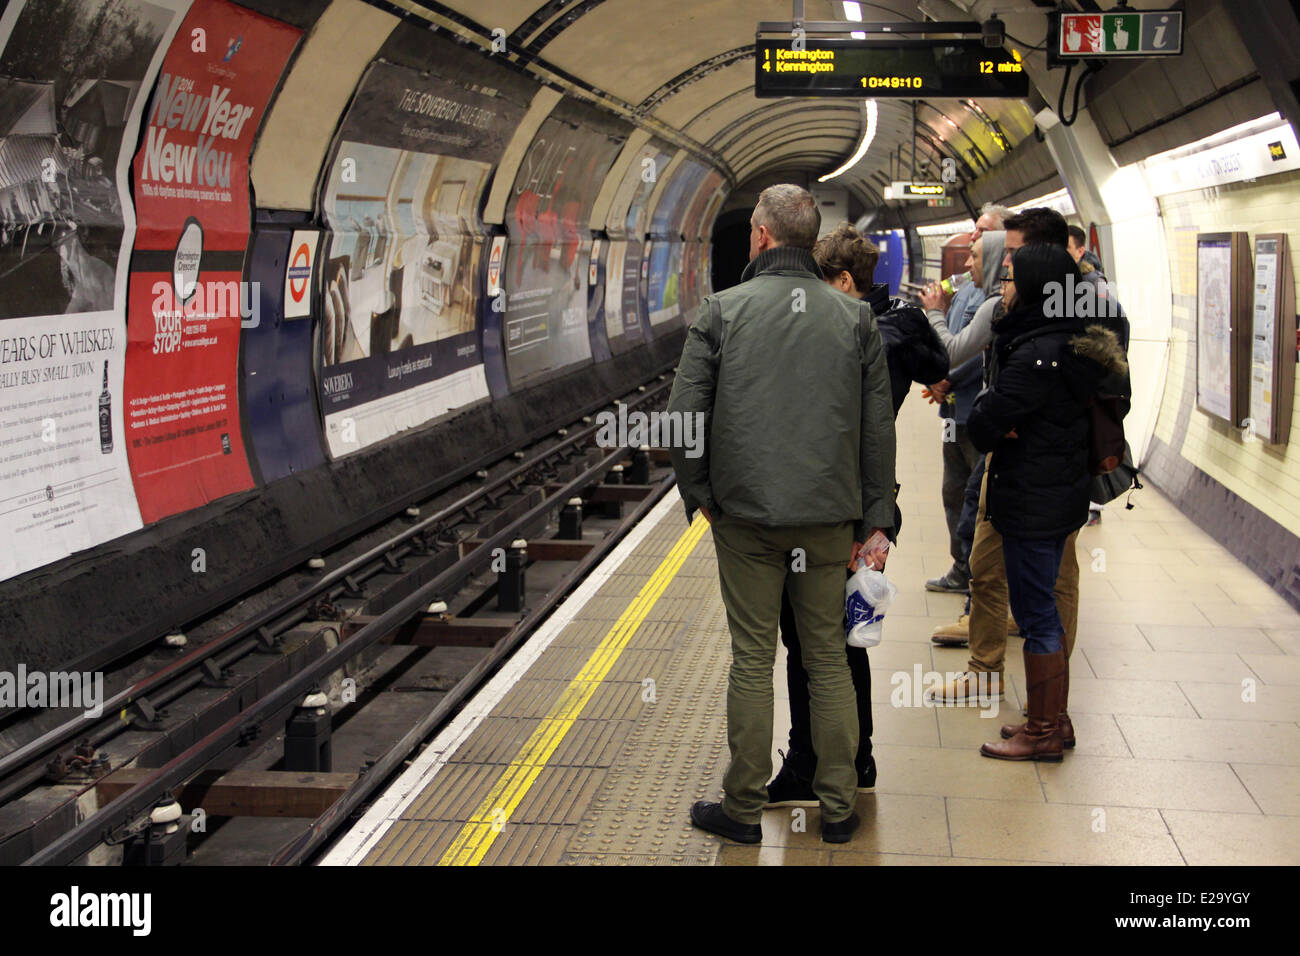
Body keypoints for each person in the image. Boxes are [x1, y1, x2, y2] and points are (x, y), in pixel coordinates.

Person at [668, 186, 897, 845]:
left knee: (752, 656)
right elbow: (875, 430)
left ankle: (742, 811)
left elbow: (684, 419)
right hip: (828, 520)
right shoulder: (856, 321)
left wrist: (701, 493)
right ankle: (838, 807)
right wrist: (875, 516)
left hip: (745, 518)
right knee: (826, 655)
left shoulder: (723, 311)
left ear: (762, 238)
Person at [926, 208, 1131, 745]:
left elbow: (999, 414)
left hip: (1045, 474)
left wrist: (1021, 419)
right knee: (988, 562)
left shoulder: (1070, 328)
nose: (1002, 273)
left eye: (1012, 262)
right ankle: (991, 674)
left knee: (1046, 596)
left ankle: (1046, 720)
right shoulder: (1032, 325)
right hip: (1032, 470)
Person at [764, 224, 946, 807]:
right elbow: (939, 366)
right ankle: (856, 757)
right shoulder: (894, 324)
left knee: (809, 640)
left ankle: (812, 765)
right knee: (846, 636)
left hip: (837, 509)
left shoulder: (851, 336)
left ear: (843, 281)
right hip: (874, 507)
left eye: (820, 285)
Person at [918, 227, 1005, 594]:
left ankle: (976, 578)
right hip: (953, 413)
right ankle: (961, 567)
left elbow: (972, 351)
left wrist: (946, 378)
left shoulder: (994, 303)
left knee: (975, 494)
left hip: (974, 411)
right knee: (954, 491)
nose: (969, 256)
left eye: (981, 240)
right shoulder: (969, 291)